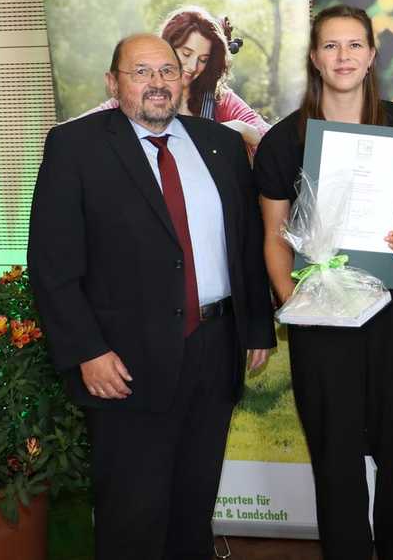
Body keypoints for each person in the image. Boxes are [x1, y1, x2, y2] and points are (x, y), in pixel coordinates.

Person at [27, 34, 275, 560]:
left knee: (194, 505)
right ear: (112, 82)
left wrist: (255, 326)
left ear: (183, 80)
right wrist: (87, 351)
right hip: (123, 361)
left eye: (167, 71)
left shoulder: (222, 145)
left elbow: (245, 242)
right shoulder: (75, 147)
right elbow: (52, 265)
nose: (157, 83)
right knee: (132, 515)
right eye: (141, 72)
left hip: (215, 349)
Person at [254, 4, 393, 559]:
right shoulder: (284, 141)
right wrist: (296, 303)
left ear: (372, 55)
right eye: (331, 45)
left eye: (355, 44)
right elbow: (274, 237)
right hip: (321, 319)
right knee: (335, 458)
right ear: (314, 57)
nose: (343, 56)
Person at [83, 6, 271, 150]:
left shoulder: (219, 98)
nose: (193, 67)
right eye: (186, 54)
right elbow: (75, 131)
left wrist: (242, 129)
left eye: (203, 60)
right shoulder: (140, 93)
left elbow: (269, 138)